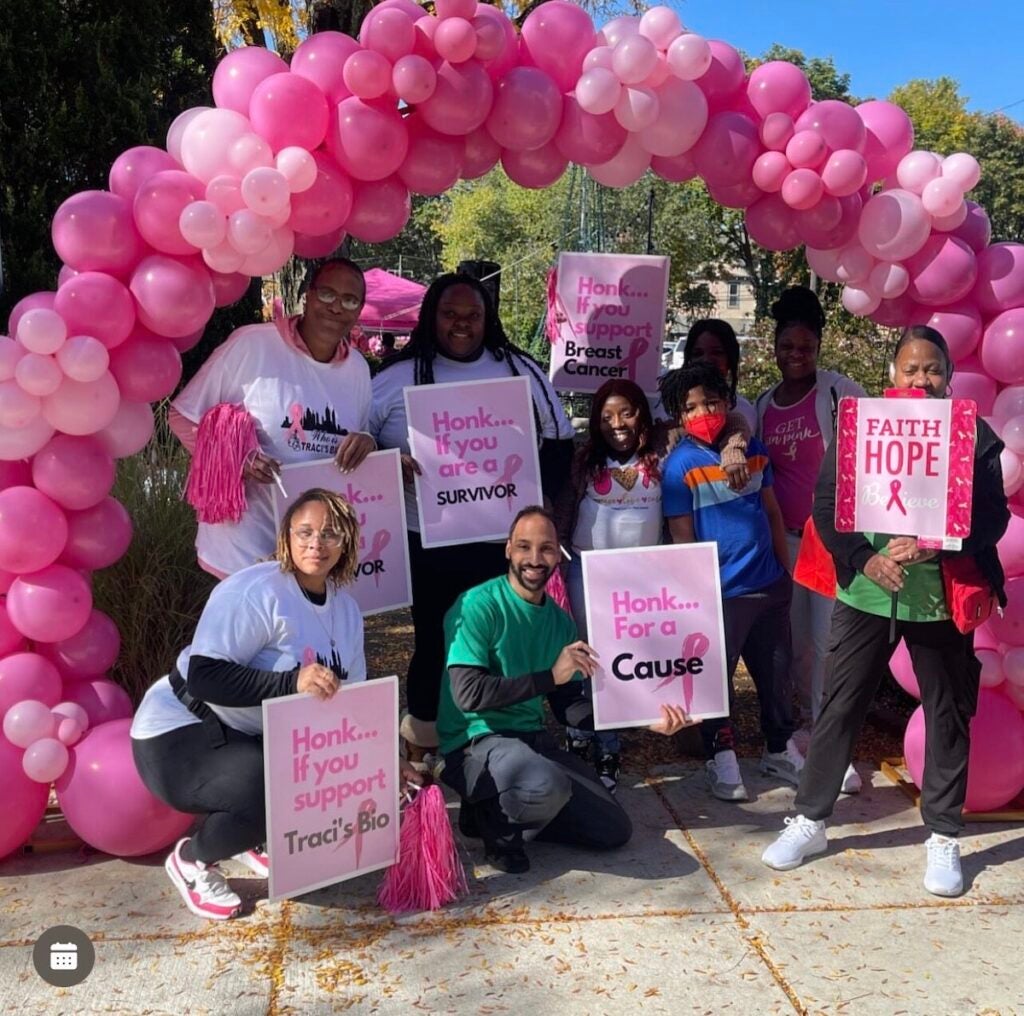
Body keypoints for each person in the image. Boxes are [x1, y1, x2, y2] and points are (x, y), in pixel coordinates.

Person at [762, 326, 1008, 897]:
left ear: (949, 379)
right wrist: (865, 560)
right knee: (840, 705)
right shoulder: (860, 426)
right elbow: (828, 506)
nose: (920, 380)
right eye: (910, 369)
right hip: (868, 592)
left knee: (948, 713)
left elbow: (993, 518)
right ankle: (811, 819)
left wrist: (940, 542)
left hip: (939, 597)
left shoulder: (973, 436)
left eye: (933, 370)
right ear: (890, 376)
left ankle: (944, 834)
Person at [130, 489, 421, 920]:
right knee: (272, 789)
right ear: (285, 536)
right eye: (304, 531)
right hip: (179, 730)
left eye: (330, 534)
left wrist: (387, 758)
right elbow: (204, 677)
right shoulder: (255, 590)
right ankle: (192, 859)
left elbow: (352, 703)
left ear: (348, 543)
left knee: (317, 778)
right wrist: (292, 681)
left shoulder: (347, 610)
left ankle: (250, 836)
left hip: (243, 736)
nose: (316, 544)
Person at [370, 273, 575, 767]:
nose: (462, 324)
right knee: (436, 641)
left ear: (488, 318)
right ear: (430, 317)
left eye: (473, 315)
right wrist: (386, 465)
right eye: (450, 314)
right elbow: (356, 447)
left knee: (508, 639)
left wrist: (535, 498)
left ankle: (500, 739)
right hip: (429, 540)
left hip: (502, 541)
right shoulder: (394, 378)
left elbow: (560, 440)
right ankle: (422, 746)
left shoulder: (518, 369)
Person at [437, 506, 693, 873]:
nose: (535, 558)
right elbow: (469, 695)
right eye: (524, 546)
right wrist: (549, 677)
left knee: (612, 830)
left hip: (530, 741)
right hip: (475, 742)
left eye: (546, 548)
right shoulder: (477, 605)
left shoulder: (559, 621)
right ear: (508, 549)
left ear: (559, 554)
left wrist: (642, 719)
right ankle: (498, 828)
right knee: (546, 784)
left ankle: (489, 811)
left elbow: (570, 707)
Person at [170, 258, 377, 578]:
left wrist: (367, 441)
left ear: (359, 310)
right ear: (308, 296)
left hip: (311, 554)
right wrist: (236, 460)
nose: (336, 307)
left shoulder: (358, 370)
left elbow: (354, 445)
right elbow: (182, 417)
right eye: (327, 295)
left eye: (349, 300)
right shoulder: (251, 344)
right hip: (243, 552)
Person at [660, 361, 802, 801]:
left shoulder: (754, 449)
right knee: (713, 682)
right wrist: (696, 598)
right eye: (690, 407)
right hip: (720, 594)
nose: (703, 412)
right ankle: (720, 757)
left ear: (727, 402)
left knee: (777, 674)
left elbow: (773, 513)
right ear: (679, 417)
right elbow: (681, 535)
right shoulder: (679, 466)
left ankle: (780, 748)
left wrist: (786, 574)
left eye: (710, 402)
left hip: (769, 587)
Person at [753, 287, 866, 794]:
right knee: (797, 643)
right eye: (787, 347)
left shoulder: (839, 392)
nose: (796, 356)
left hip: (830, 541)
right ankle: (808, 728)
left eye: (806, 347)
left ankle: (832, 741)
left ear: (819, 348)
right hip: (785, 543)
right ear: (774, 348)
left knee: (828, 644)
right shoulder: (763, 406)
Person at [553, 379, 664, 792]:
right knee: (586, 657)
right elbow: (563, 509)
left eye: (626, 413)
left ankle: (610, 746)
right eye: (606, 417)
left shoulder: (662, 452)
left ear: (642, 415)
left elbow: (735, 421)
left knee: (621, 660)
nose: (617, 424)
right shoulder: (585, 458)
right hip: (586, 569)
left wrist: (735, 446)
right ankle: (582, 737)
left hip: (640, 577)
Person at [683, 319, 757, 431]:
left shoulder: (744, 411)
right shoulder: (672, 409)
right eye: (698, 353)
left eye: (717, 352)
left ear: (730, 359)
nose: (706, 360)